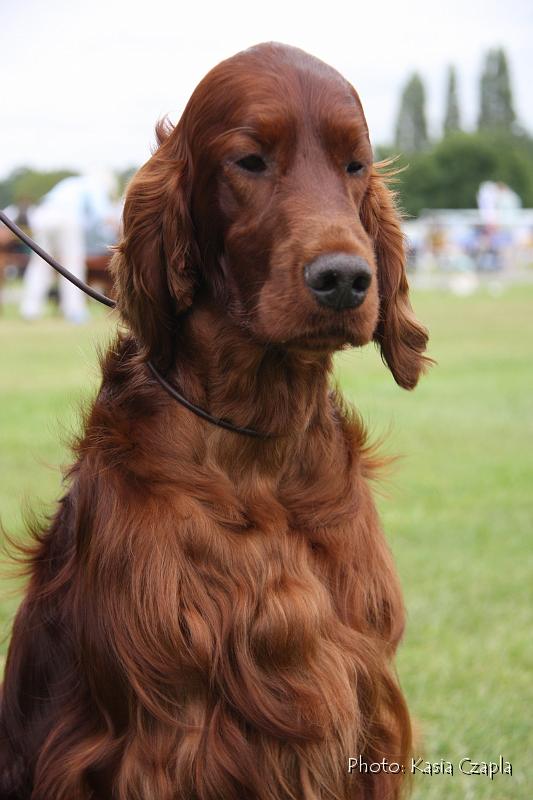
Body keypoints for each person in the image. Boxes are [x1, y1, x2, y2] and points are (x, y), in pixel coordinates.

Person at [20, 170, 118, 322]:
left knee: (40, 264)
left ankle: (30, 309)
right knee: (72, 264)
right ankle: (74, 311)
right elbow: (104, 216)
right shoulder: (96, 186)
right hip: (68, 219)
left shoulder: (71, 182)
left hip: (43, 216)